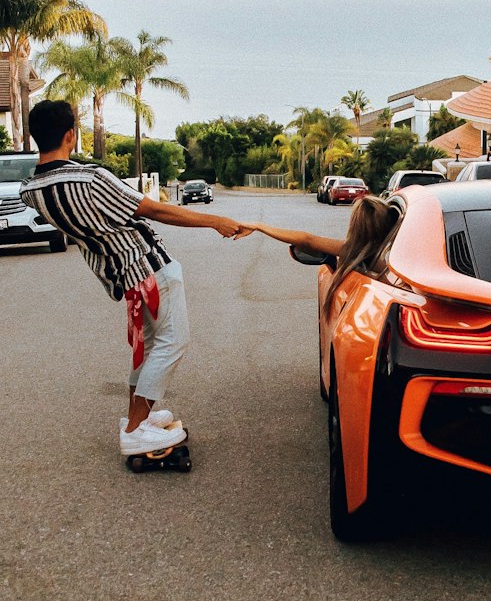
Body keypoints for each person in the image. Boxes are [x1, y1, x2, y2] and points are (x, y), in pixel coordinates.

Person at [20, 99, 254, 458]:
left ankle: (137, 417)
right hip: (151, 267)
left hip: (124, 277)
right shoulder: (91, 179)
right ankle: (135, 429)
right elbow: (156, 210)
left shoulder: (32, 191)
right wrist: (215, 221)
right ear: (70, 135)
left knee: (147, 348)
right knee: (174, 341)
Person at [251, 192, 400, 308]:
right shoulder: (399, 258)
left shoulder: (352, 251)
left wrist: (260, 226)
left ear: (356, 226)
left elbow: (307, 240)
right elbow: (307, 239)